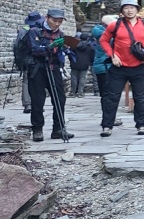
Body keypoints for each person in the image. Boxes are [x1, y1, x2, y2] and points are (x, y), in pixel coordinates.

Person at [99, 0, 144, 137]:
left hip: (138, 66)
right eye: (126, 8)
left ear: (137, 9)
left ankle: (141, 125)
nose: (129, 10)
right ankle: (107, 126)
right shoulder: (115, 25)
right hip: (119, 67)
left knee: (139, 98)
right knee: (112, 97)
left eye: (132, 7)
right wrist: (112, 55)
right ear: (122, 10)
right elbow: (103, 40)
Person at [24, 9, 73, 142]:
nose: (57, 24)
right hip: (37, 69)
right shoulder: (35, 31)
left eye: (60, 21)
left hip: (54, 68)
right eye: (54, 20)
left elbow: (61, 52)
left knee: (60, 99)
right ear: (47, 18)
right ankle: (37, 129)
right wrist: (51, 47)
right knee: (38, 100)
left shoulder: (60, 34)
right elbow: (34, 50)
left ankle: (58, 129)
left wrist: (65, 47)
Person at [90, 16, 122, 127]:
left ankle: (108, 117)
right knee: (110, 95)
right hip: (106, 66)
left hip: (102, 67)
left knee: (106, 95)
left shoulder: (99, 33)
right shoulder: (106, 35)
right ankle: (109, 118)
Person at [15, 11, 43, 114]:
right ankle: (37, 104)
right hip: (37, 59)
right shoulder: (40, 30)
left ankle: (27, 104)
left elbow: (16, 46)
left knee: (26, 81)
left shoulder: (23, 31)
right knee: (38, 82)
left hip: (25, 59)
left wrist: (18, 61)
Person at [68, 33, 94, 97]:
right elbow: (92, 56)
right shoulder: (89, 46)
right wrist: (90, 62)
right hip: (85, 63)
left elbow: (70, 54)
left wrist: (71, 60)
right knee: (82, 77)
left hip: (75, 62)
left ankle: (73, 92)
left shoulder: (74, 45)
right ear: (87, 38)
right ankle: (80, 92)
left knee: (74, 77)